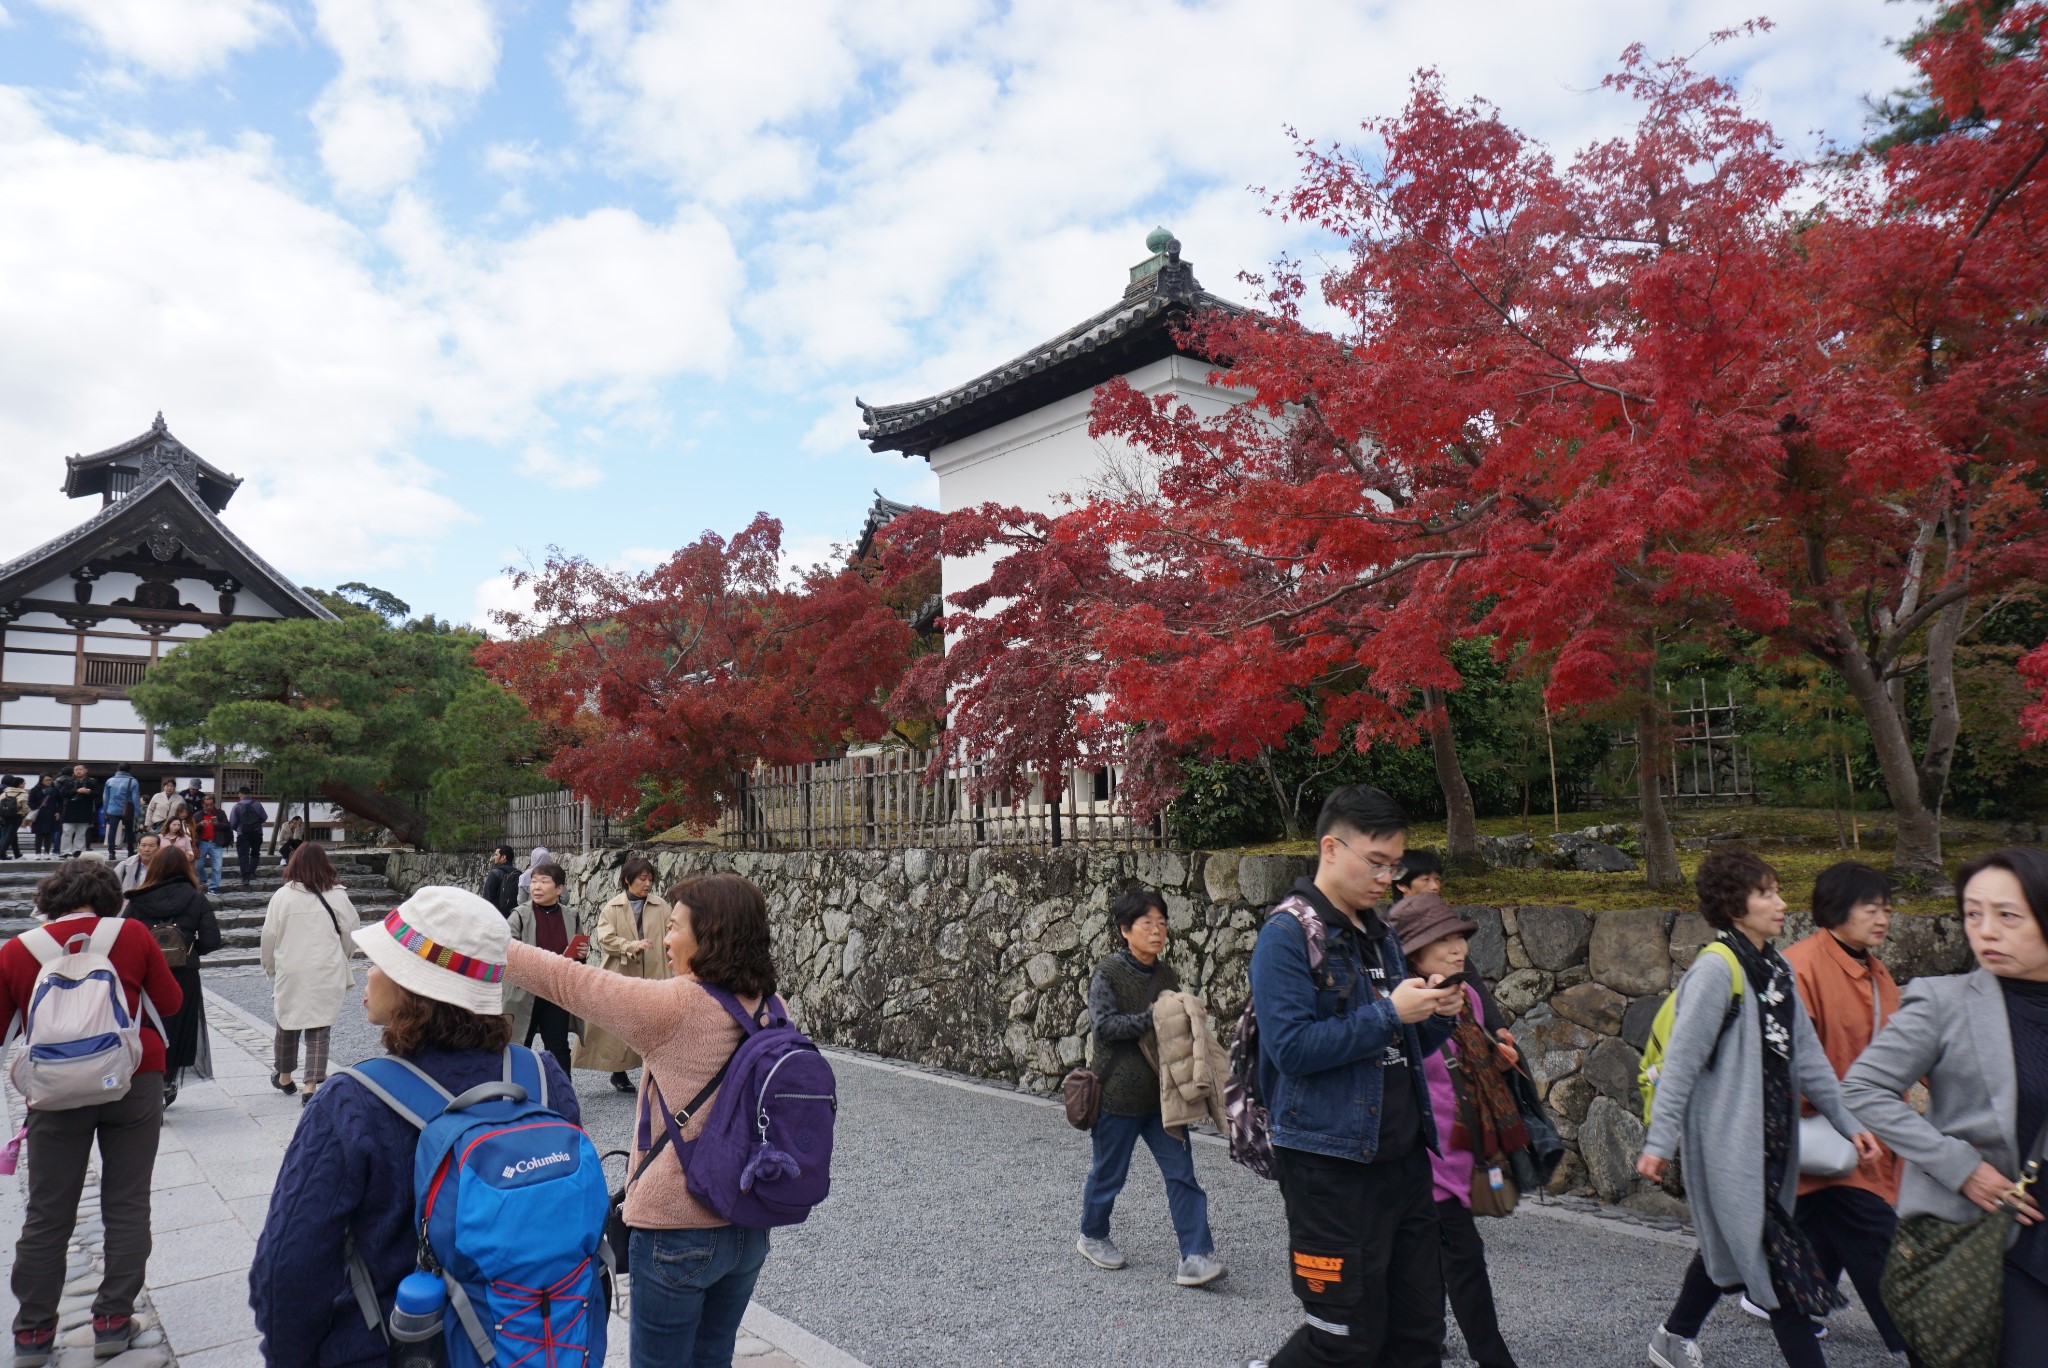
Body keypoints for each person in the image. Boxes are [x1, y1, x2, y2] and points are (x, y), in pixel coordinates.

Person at [249, 885, 578, 1367]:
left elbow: (287, 1269)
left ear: (412, 983)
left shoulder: (351, 1102)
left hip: (396, 1345)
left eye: (380, 961)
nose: (368, 970)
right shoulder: (543, 1080)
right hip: (530, 1340)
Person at [499, 872, 775, 1367]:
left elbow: (572, 981)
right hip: (749, 1225)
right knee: (713, 1358)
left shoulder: (677, 1004)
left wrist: (489, 943)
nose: (667, 937)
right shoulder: (770, 1007)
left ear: (709, 934)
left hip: (677, 1230)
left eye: (676, 926)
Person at [1246, 786, 1466, 1368]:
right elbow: (1292, 1049)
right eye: (1376, 863)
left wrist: (1438, 1016)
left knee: (1418, 1335)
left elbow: (1399, 1044)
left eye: (1394, 866)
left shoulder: (1381, 932)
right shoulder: (1286, 935)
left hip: (1402, 1159)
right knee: (1343, 1340)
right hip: (1329, 1170)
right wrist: (1391, 1011)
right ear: (1330, 848)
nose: (1387, 878)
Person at [1636, 847, 1880, 1368]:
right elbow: (1680, 1065)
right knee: (1780, 1277)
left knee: (1731, 1246)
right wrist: (1659, 1144)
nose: (1781, 902)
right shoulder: (1715, 971)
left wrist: (1848, 1122)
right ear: (1733, 905)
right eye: (1766, 893)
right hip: (1730, 1150)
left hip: (1773, 1147)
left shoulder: (1776, 970)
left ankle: (1672, 1336)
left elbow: (1809, 1059)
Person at [1844, 847, 2048, 1368]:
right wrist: (1962, 1168)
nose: (1985, 930)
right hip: (1982, 1242)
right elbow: (1863, 1089)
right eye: (1973, 914)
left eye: (2007, 915)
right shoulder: (1944, 1002)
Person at [3, 859, 181, 1367]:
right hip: (133, 1076)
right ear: (108, 899)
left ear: (48, 901)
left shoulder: (17, 951)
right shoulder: (131, 936)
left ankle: (33, 1333)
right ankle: (112, 1320)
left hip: (55, 1091)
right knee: (126, 1199)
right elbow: (167, 1003)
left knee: (47, 1209)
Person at [1779, 861, 1915, 1360]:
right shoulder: (1801, 967)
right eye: (1870, 908)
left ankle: (1769, 1299)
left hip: (1863, 1141)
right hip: (1834, 1141)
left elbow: (1906, 1046)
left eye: (1886, 908)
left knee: (1811, 1251)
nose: (1883, 918)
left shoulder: (1875, 971)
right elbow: (1790, 1062)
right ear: (1836, 909)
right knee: (1880, 1246)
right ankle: (1921, 1345)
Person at [1388, 892, 1527, 1368]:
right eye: (1441, 940)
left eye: (1459, 939)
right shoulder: (1402, 1009)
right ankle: (1492, 1357)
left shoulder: (1467, 997)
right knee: (1464, 1260)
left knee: (1430, 1263)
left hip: (1469, 1152)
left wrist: (1498, 1057)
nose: (1457, 949)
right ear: (1412, 952)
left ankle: (1417, 1335)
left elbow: (1470, 1065)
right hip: (1427, 1163)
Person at [1075, 888, 1226, 1287]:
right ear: (1126, 930)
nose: (1157, 931)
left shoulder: (1167, 975)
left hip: (1165, 1099)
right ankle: (1092, 1234)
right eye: (1147, 924)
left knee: (1182, 1175)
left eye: (1162, 923)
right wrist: (1154, 1017)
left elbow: (1175, 1031)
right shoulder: (1108, 973)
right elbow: (1104, 1025)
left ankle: (1195, 1256)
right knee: (1109, 1173)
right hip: (1118, 1098)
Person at [260, 843, 359, 1104]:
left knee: (288, 1019)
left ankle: (283, 1075)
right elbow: (350, 932)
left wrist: (269, 965)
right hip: (326, 966)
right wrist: (344, 956)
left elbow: (269, 935)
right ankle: (311, 1085)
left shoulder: (283, 896)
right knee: (319, 1024)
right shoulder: (338, 896)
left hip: (291, 967)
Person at [124, 845, 218, 1106]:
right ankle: (168, 1080)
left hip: (147, 975)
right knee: (177, 1027)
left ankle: (147, 1077)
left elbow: (123, 935)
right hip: (183, 973)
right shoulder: (195, 898)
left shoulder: (138, 899)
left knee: (148, 1026)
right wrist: (189, 950)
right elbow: (212, 939)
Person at [579, 856, 676, 1093]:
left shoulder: (661, 906)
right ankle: (618, 1072)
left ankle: (657, 1072)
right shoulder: (612, 908)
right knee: (620, 1024)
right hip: (622, 973)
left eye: (650, 879)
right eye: (642, 879)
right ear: (627, 879)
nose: (647, 884)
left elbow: (674, 931)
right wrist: (631, 946)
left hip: (656, 972)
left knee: (656, 1023)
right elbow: (605, 939)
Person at [504, 862, 591, 1078]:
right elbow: (506, 949)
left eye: (544, 882)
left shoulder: (571, 916)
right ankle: (515, 1094)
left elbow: (578, 957)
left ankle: (562, 1098)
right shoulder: (519, 915)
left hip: (555, 993)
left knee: (558, 1047)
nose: (537, 887)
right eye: (533, 882)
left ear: (559, 889)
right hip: (524, 991)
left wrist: (582, 954)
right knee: (519, 1045)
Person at [229, 786, 267, 888]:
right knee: (255, 853)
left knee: (243, 855)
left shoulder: (237, 806)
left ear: (240, 794)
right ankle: (252, 872)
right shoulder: (257, 805)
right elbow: (264, 817)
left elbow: (232, 822)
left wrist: (239, 829)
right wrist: (256, 824)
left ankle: (245, 876)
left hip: (243, 834)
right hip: (257, 832)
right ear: (249, 794)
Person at [55, 765, 96, 856]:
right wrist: (77, 791)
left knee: (81, 833)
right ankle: (64, 852)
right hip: (69, 810)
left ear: (86, 770)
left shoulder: (91, 781)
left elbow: (98, 794)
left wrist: (89, 792)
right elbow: (63, 793)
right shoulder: (69, 781)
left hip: (85, 810)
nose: (78, 771)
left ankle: (78, 851)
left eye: (80, 769)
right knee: (67, 832)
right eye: (76, 770)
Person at [100, 764, 140, 857]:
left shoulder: (110, 781)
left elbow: (105, 797)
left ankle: (111, 853)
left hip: (112, 809)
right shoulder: (133, 781)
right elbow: (135, 798)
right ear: (129, 770)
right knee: (129, 831)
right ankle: (130, 851)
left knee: (112, 831)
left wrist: (106, 810)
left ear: (118, 769)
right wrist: (136, 812)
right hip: (128, 810)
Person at [192, 794, 226, 894]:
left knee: (217, 866)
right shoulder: (197, 815)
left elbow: (227, 826)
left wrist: (217, 824)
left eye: (211, 805)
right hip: (202, 843)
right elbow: (192, 828)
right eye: (206, 805)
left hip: (216, 843)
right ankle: (203, 879)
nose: (209, 807)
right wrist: (199, 824)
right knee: (198, 865)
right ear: (202, 804)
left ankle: (214, 887)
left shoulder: (220, 813)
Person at [481, 844, 520, 916]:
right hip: (513, 916)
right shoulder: (518, 874)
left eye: (496, 855)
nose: (494, 857)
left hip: (497, 916)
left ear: (503, 857)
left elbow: (487, 899)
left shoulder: (495, 873)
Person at [27, 776, 58, 856]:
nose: (49, 781)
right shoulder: (35, 789)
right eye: (47, 780)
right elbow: (30, 801)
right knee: (39, 834)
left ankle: (47, 852)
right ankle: (38, 853)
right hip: (39, 814)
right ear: (41, 780)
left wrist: (58, 811)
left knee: (48, 834)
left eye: (50, 779)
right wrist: (36, 808)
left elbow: (59, 801)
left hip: (51, 814)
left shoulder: (55, 790)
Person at [0, 775, 25, 860]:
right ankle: (1, 853)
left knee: (10, 834)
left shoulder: (5, 792)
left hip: (4, 815)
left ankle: (17, 854)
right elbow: (24, 807)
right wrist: (26, 816)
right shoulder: (22, 793)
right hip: (16, 815)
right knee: (9, 834)